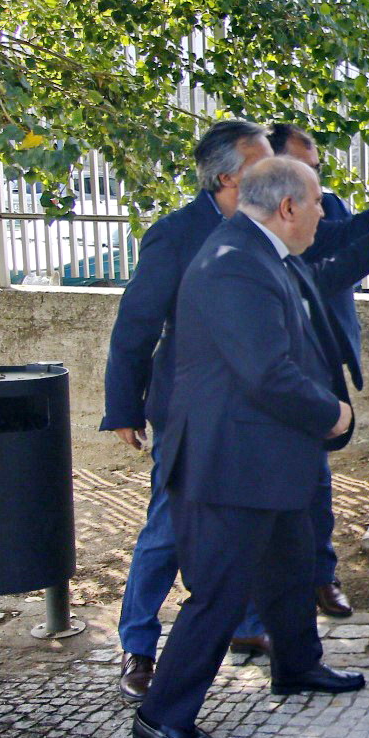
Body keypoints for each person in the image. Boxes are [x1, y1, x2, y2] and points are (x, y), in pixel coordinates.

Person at [132, 156, 369, 738]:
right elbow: (267, 372)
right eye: (316, 204)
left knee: (290, 569)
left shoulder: (265, 253)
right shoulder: (234, 264)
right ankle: (162, 714)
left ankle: (297, 666)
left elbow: (324, 284)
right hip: (228, 461)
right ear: (287, 208)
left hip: (273, 453)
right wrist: (333, 414)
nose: (322, 214)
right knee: (220, 592)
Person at [102, 120, 274, 701]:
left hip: (256, 406)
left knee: (247, 516)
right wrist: (122, 407)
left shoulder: (268, 224)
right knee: (170, 528)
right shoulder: (176, 234)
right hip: (190, 408)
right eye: (261, 163)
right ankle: (138, 645)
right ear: (227, 177)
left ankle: (247, 627)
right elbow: (136, 326)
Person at [268, 124, 369, 618]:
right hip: (266, 386)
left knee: (316, 491)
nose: (318, 186)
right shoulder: (237, 236)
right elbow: (320, 276)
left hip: (314, 373)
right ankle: (245, 612)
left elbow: (349, 236)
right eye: (306, 170)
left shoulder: (321, 206)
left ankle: (319, 581)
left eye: (317, 170)